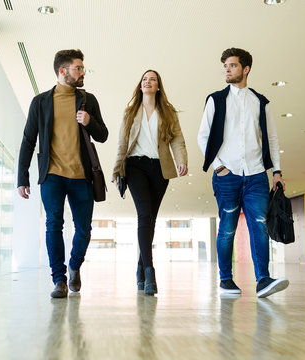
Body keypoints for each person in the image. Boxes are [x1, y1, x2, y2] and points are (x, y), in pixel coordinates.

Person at [197, 48, 289, 298]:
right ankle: (226, 280)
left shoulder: (260, 101)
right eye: (225, 65)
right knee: (227, 228)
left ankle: (263, 280)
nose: (227, 69)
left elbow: (271, 137)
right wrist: (219, 166)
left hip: (257, 174)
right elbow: (203, 136)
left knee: (259, 224)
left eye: (232, 65)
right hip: (228, 175)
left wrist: (276, 171)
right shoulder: (215, 99)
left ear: (245, 69)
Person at [17, 49, 108, 298]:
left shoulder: (89, 100)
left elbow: (103, 135)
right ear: (62, 71)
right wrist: (22, 178)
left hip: (82, 176)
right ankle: (59, 279)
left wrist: (90, 122)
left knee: (84, 229)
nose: (82, 73)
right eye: (78, 68)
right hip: (52, 175)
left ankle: (75, 265)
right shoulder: (41, 102)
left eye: (82, 68)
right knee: (53, 224)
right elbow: (28, 140)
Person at [113, 70, 188, 296]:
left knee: (151, 219)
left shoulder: (168, 112)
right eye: (145, 79)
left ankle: (139, 268)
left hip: (160, 168)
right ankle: (149, 271)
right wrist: (117, 170)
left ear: (158, 87)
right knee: (144, 216)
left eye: (152, 79)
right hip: (135, 166)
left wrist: (182, 161)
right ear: (140, 86)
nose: (148, 82)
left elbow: (177, 139)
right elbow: (122, 143)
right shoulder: (130, 113)